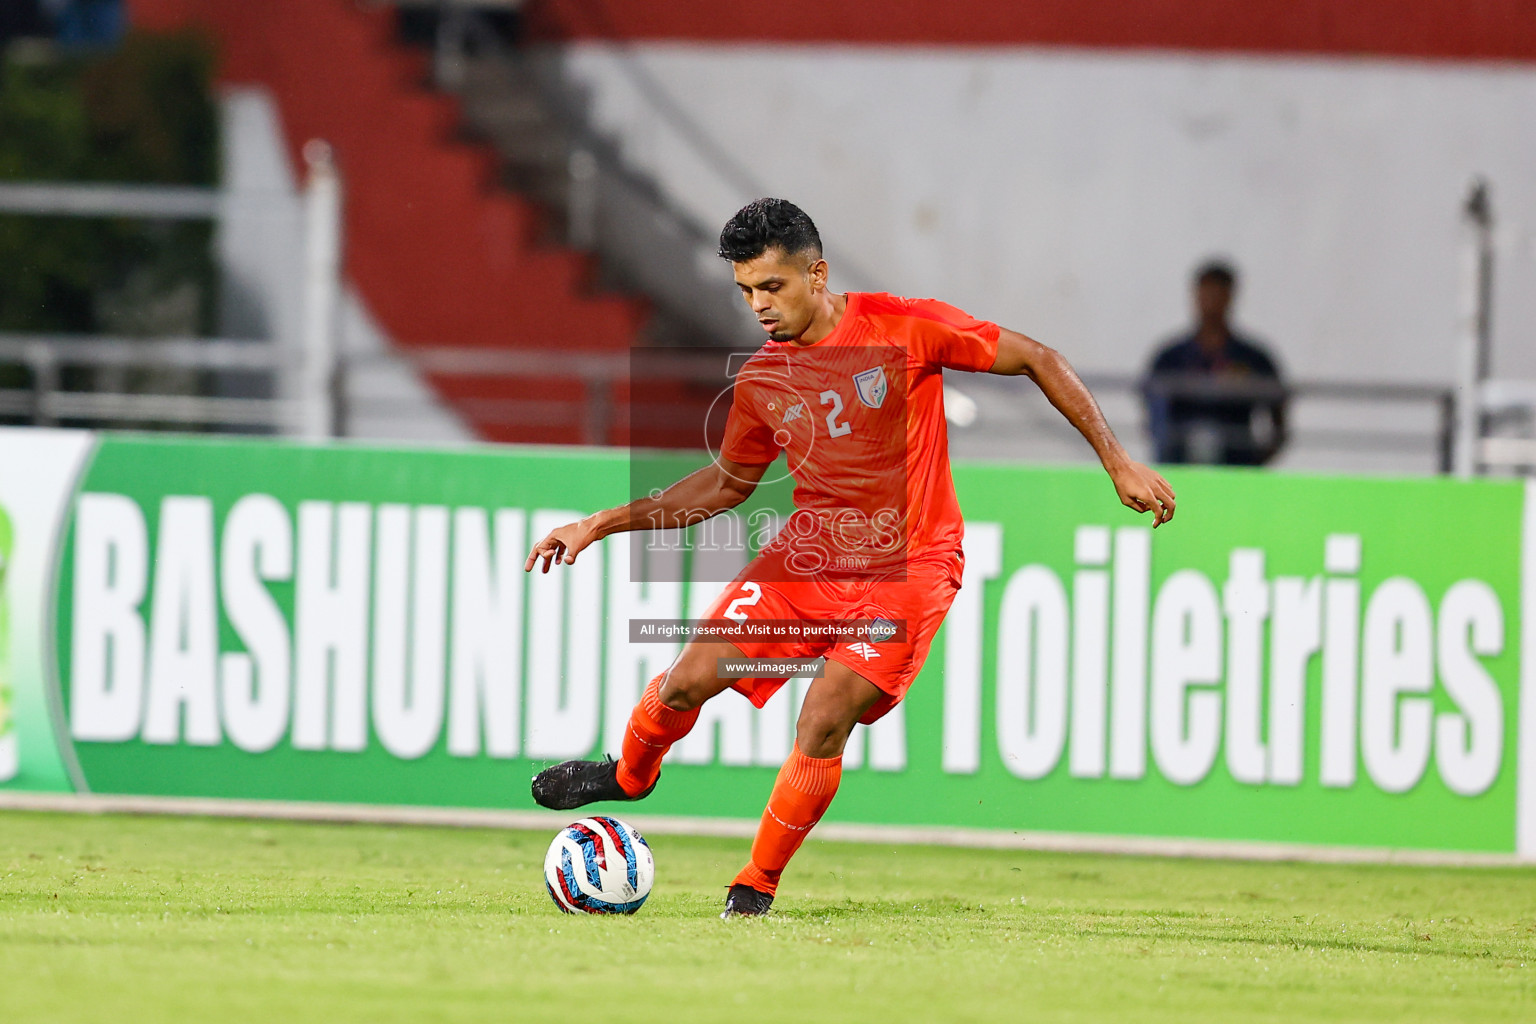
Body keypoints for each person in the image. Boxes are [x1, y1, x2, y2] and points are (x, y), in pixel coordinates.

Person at [526, 199, 1175, 917]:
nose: (758, 307)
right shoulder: (764, 380)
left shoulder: (904, 327)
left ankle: (754, 887)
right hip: (809, 560)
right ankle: (629, 775)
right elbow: (723, 486)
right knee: (686, 681)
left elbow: (1036, 357)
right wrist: (600, 523)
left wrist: (1117, 463)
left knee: (824, 711)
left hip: (913, 567)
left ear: (818, 273)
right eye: (746, 291)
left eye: (771, 287)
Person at [1143, 261, 1287, 466]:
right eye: (1205, 294)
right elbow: (1151, 411)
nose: (1211, 302)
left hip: (1235, 466)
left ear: (1230, 297)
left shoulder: (1253, 358)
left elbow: (1279, 418)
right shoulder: (1171, 357)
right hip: (1180, 466)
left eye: (1218, 294)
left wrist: (1254, 464)